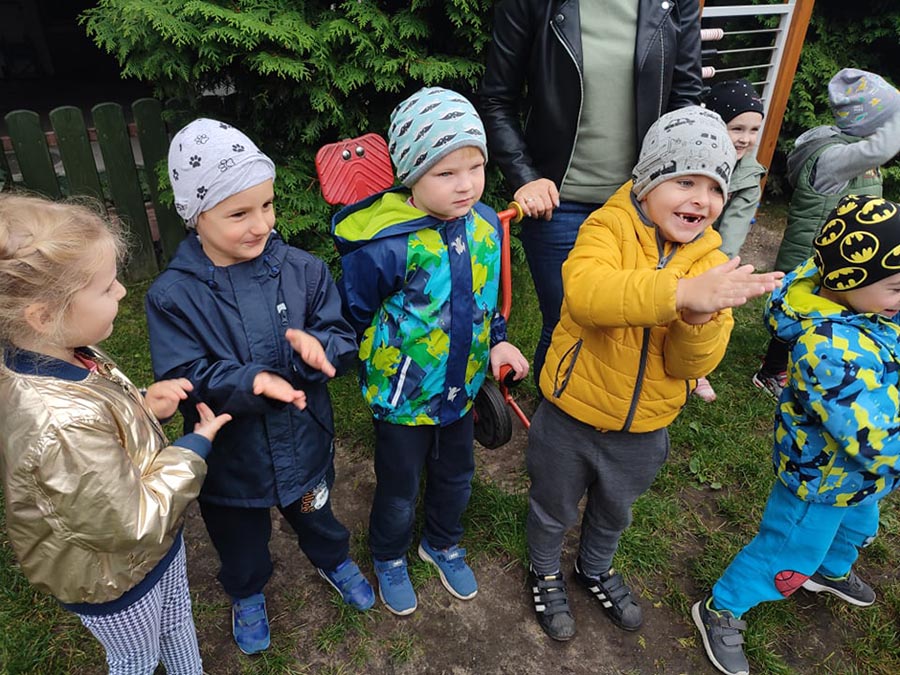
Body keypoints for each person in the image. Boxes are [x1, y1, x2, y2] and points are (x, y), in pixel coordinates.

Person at [524, 107, 785, 642]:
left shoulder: (711, 260)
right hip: (571, 415)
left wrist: (698, 320)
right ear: (646, 182)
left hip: (646, 427)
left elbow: (691, 365)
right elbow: (588, 295)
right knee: (552, 507)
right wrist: (679, 294)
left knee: (614, 512)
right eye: (684, 181)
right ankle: (544, 571)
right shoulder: (608, 226)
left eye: (715, 187)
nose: (701, 199)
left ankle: (594, 568)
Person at [145, 118, 374, 656]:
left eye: (267, 206)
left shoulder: (304, 271)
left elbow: (341, 334)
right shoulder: (173, 296)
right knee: (239, 538)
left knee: (316, 512)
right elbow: (185, 373)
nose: (261, 224)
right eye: (239, 213)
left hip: (304, 438)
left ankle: (333, 558)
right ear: (196, 216)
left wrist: (322, 349)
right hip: (232, 458)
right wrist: (253, 380)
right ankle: (246, 590)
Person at [0, 194, 231, 674]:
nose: (123, 291)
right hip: (113, 577)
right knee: (136, 657)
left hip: (151, 551)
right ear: (42, 315)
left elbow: (102, 424)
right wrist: (193, 448)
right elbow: (131, 523)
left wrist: (144, 405)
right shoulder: (59, 425)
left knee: (177, 620)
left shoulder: (60, 352)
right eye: (106, 288)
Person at [332, 87, 530, 616]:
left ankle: (441, 542)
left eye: (475, 167)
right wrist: (361, 363)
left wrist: (498, 340)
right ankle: (389, 555)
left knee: (457, 476)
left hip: (461, 391)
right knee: (399, 486)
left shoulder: (484, 226)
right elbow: (353, 314)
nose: (465, 184)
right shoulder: (386, 245)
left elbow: (486, 298)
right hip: (403, 396)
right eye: (445, 172)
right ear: (411, 175)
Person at [693, 194, 900, 675]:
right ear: (848, 281)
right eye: (895, 287)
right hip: (822, 479)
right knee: (787, 550)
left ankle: (829, 570)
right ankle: (724, 605)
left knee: (857, 527)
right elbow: (871, 436)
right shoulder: (828, 349)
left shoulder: (871, 310)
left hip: (859, 479)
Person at [477, 0, 703, 387]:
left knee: (631, 329)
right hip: (558, 204)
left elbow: (684, 100)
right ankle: (554, 421)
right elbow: (497, 99)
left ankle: (615, 416)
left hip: (641, 204)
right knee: (566, 325)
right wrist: (525, 176)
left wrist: (678, 185)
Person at [753, 67, 900, 399]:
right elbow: (878, 149)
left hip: (845, 251)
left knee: (833, 309)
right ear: (873, 124)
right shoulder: (835, 157)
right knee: (798, 310)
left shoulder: (851, 148)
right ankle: (772, 371)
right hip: (815, 251)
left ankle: (827, 357)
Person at [693, 78, 768, 402]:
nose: (746, 139)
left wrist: (715, 269)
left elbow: (733, 232)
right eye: (737, 128)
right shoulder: (694, 155)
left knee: (708, 309)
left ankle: (697, 369)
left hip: (712, 252)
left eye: (754, 130)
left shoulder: (749, 177)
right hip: (676, 237)